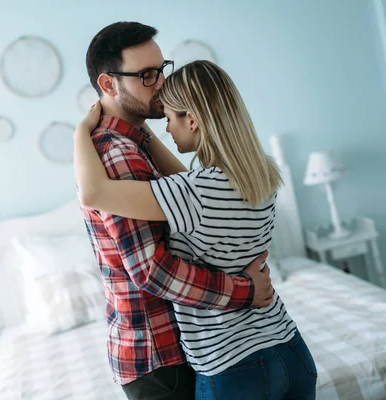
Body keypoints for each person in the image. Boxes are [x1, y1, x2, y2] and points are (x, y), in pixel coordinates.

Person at [75, 58, 317, 399]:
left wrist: (81, 132)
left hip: (232, 367)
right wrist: (142, 131)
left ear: (192, 120)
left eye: (171, 118)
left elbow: (93, 192)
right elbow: (185, 182)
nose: (167, 129)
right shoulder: (263, 173)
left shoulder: (193, 193)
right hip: (289, 349)